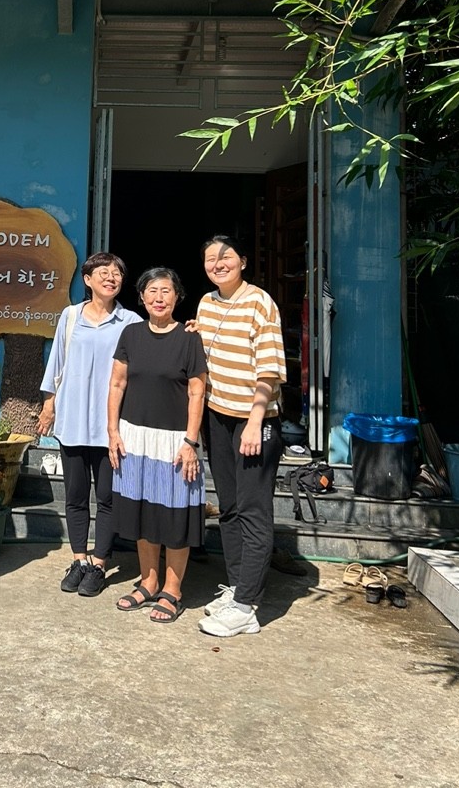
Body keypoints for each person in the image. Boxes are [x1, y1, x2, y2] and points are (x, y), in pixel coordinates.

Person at [194, 233, 287, 638]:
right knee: (228, 506)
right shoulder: (207, 303)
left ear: (243, 261)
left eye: (226, 256)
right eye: (210, 258)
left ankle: (248, 605)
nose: (218, 263)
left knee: (253, 509)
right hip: (218, 416)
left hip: (254, 420)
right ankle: (235, 588)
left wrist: (255, 420)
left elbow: (268, 370)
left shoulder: (260, 302)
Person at [38, 252, 140, 597]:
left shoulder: (130, 322)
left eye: (117, 274)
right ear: (87, 279)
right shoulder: (70, 316)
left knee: (108, 497)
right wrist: (49, 405)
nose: (111, 278)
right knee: (76, 495)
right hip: (72, 420)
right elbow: (57, 362)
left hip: (110, 425)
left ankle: (99, 563)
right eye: (104, 272)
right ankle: (79, 559)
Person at [108, 267, 207, 623]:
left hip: (174, 441)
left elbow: (197, 391)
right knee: (141, 512)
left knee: (175, 515)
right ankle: (148, 581)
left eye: (166, 291)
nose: (159, 298)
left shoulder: (189, 339)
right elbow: (117, 384)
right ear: (142, 297)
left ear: (178, 296)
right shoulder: (130, 334)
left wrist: (190, 442)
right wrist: (113, 432)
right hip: (134, 436)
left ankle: (173, 589)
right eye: (152, 291)